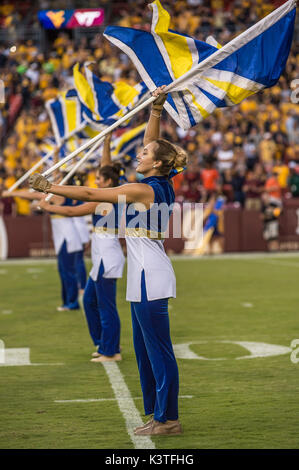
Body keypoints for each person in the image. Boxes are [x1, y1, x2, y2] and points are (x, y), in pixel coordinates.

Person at [29, 86, 186, 436]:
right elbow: (154, 143)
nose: (138, 154)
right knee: (145, 354)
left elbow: (88, 194)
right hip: (141, 275)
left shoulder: (144, 190)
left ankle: (169, 419)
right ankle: (157, 414)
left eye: (143, 153)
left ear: (157, 163)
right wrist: (156, 111)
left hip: (150, 276)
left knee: (158, 352)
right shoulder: (158, 181)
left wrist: (51, 187)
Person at [37, 134, 125, 362]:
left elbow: (71, 211)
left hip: (108, 256)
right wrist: (106, 142)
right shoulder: (111, 191)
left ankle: (111, 350)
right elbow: (107, 166)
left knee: (106, 305)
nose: (96, 181)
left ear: (107, 182)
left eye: (99, 179)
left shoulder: (106, 199)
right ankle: (104, 343)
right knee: (89, 301)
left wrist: (47, 206)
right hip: (102, 256)